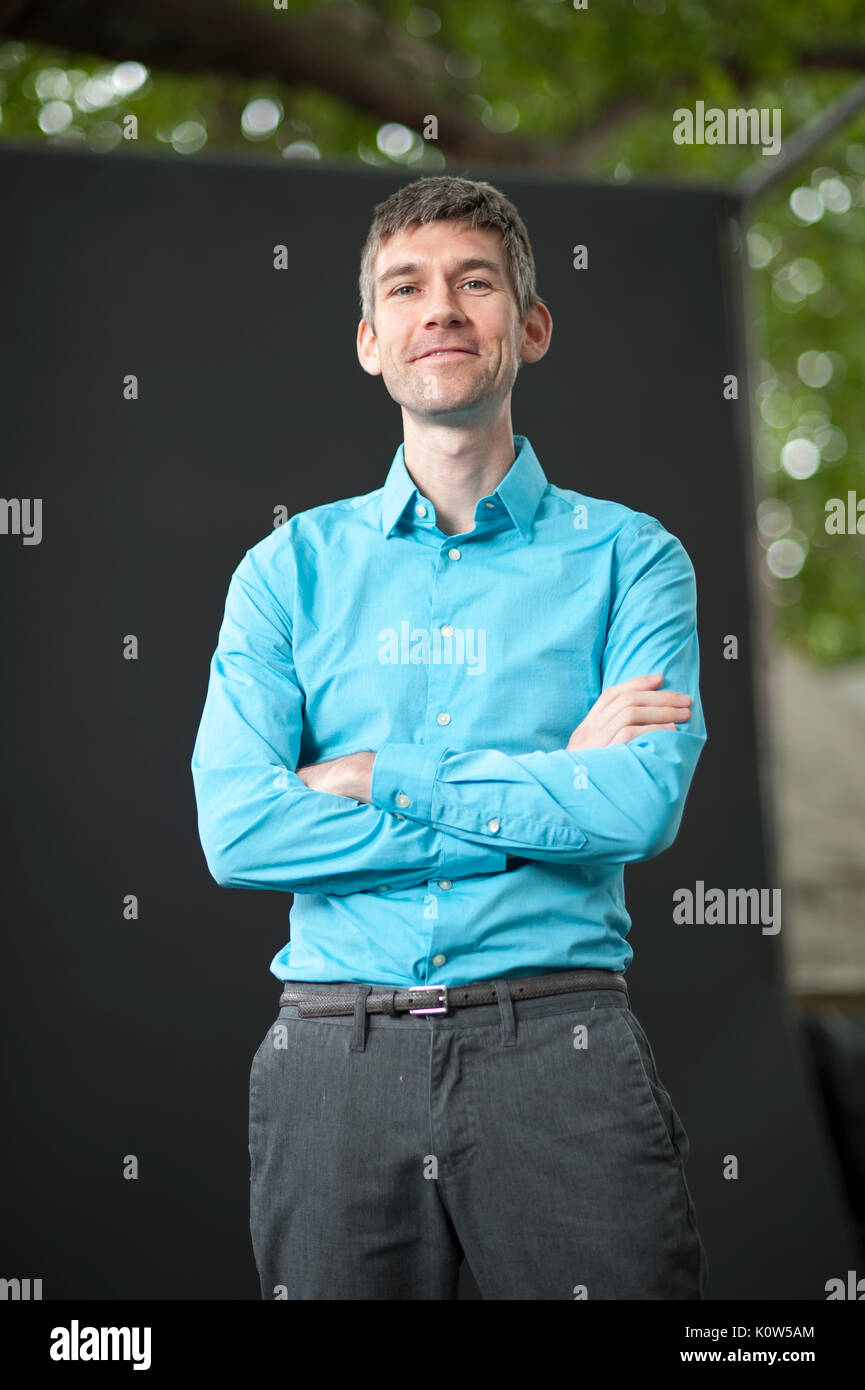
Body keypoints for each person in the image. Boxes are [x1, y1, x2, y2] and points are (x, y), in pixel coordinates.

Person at [190, 174, 709, 1301]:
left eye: (475, 282)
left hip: (560, 1050)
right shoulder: (287, 570)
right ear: (371, 341)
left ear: (529, 326)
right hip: (334, 1060)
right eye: (407, 288)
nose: (442, 310)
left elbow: (635, 809)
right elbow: (237, 832)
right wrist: (547, 792)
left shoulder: (634, 560)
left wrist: (383, 777)